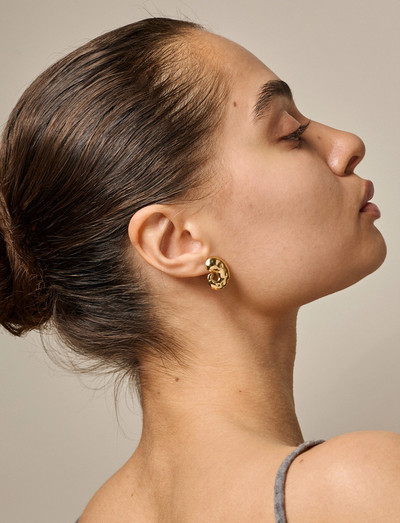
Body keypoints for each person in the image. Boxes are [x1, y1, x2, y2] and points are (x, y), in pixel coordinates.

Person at [0, 16, 398, 522]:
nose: (347, 144)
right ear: (177, 242)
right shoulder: (356, 489)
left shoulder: (96, 515)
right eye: (292, 133)